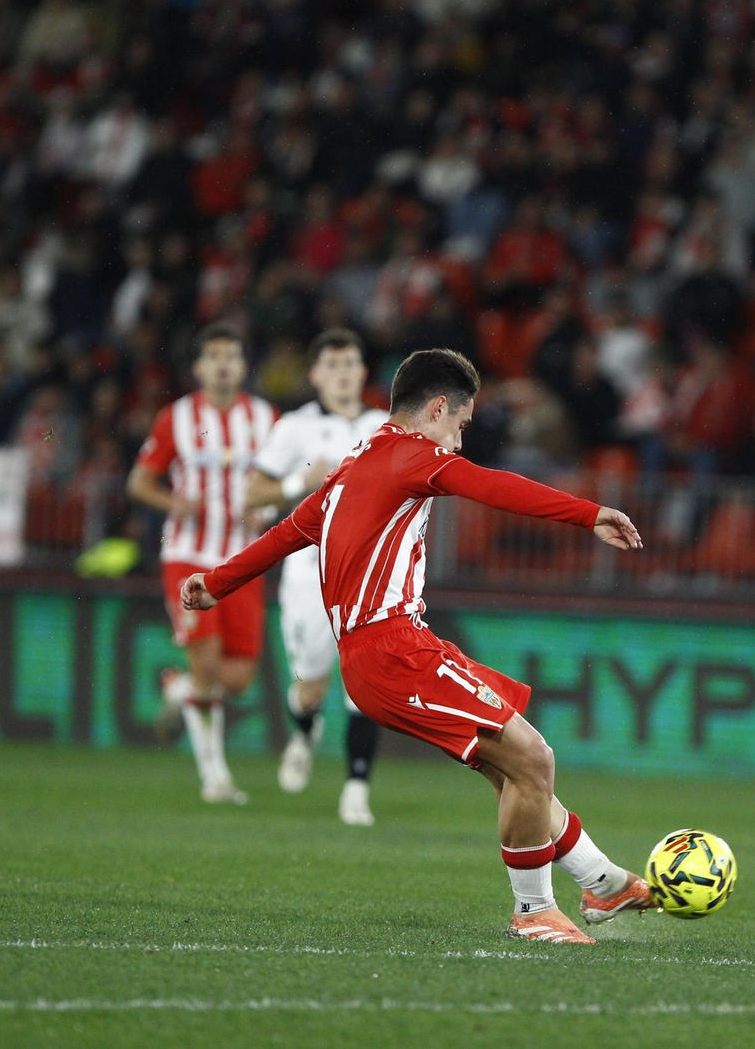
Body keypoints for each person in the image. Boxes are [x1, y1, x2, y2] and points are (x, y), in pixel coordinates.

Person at [184, 348, 653, 943]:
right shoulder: (415, 457)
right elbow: (492, 485)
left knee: (514, 769)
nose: (458, 441)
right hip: (392, 649)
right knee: (534, 758)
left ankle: (602, 883)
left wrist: (216, 583)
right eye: (460, 424)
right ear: (437, 409)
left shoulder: (351, 467)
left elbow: (285, 533)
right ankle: (534, 913)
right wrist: (588, 515)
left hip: (384, 651)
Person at [244, 328, 387, 825]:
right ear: (315, 375)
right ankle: (304, 728)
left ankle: (356, 787)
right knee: (310, 685)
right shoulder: (294, 428)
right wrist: (296, 482)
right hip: (309, 569)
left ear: (363, 372)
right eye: (332, 365)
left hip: (371, 572)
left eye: (350, 363)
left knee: (364, 684)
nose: (343, 373)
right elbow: (250, 495)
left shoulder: (384, 424)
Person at [127, 323, 275, 805]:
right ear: (198, 367)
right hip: (188, 556)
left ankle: (175, 688)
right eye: (214, 356)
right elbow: (140, 482)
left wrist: (267, 511)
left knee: (237, 680)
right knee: (208, 669)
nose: (223, 364)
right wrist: (174, 504)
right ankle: (215, 777)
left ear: (243, 365)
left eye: (231, 355)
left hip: (243, 559)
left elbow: (280, 483)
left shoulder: (266, 418)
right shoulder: (178, 418)